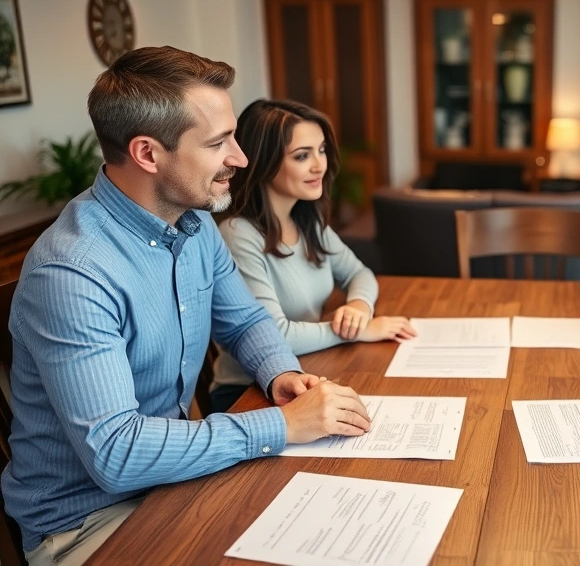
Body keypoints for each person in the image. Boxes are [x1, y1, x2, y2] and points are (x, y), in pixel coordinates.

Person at [1, 46, 374, 566]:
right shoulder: (72, 272)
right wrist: (284, 426)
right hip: (88, 522)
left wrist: (281, 375)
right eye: (219, 142)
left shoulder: (193, 225)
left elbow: (244, 320)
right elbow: (117, 454)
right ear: (148, 154)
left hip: (169, 483)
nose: (240, 159)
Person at [211, 99, 415, 412]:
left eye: (321, 150)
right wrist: (357, 331)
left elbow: (359, 274)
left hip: (308, 368)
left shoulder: (308, 222)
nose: (319, 165)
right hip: (249, 394)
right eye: (302, 156)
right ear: (263, 162)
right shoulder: (239, 235)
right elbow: (273, 337)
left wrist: (359, 306)